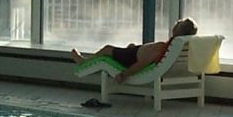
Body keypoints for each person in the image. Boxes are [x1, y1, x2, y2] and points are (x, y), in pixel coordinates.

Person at [70, 17, 198, 80]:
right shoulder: (178, 46)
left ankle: (83, 62)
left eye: (177, 24)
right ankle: (128, 49)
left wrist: (124, 74)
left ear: (176, 31)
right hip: (134, 53)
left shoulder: (162, 48)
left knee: (107, 49)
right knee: (129, 46)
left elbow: (143, 63)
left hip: (132, 58)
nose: (175, 25)